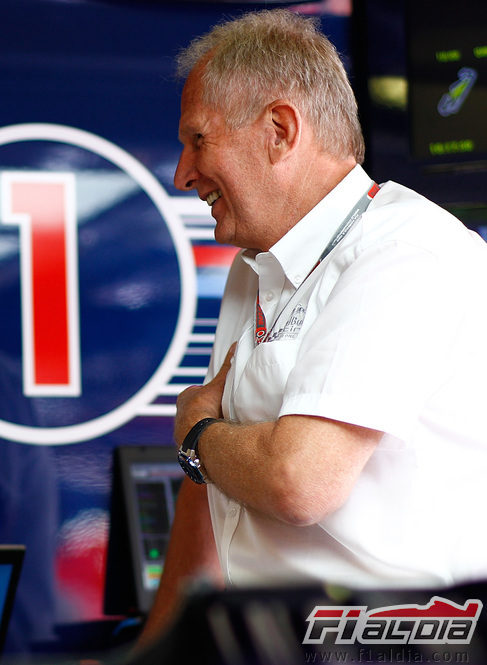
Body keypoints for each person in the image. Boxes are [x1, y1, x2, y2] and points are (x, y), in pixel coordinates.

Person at [138, 8, 487, 648]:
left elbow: (299, 481)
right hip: (281, 644)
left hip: (402, 649)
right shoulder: (256, 267)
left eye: (198, 139)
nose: (183, 172)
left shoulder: (406, 252)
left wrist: (196, 432)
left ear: (280, 128)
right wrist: (151, 654)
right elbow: (213, 484)